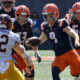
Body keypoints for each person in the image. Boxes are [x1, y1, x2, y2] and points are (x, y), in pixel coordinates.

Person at [26, 3, 80, 80]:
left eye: (51, 16)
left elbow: (74, 34)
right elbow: (40, 41)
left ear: (56, 14)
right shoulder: (44, 26)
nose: (49, 19)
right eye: (46, 16)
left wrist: (76, 40)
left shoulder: (61, 23)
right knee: (54, 70)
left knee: (75, 73)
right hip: (59, 57)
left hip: (70, 54)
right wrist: (31, 42)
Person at [12, 5, 41, 80]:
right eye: (20, 16)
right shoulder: (11, 24)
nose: (22, 18)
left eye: (24, 16)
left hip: (21, 51)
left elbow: (32, 41)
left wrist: (36, 52)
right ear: (16, 16)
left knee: (30, 72)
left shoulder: (28, 24)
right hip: (11, 52)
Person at [0, 14, 32, 80]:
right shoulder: (13, 36)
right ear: (10, 25)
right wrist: (28, 65)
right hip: (8, 66)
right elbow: (22, 51)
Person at [65, 2, 80, 80]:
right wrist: (69, 19)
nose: (78, 14)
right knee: (74, 73)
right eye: (77, 13)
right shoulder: (69, 19)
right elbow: (63, 27)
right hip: (74, 48)